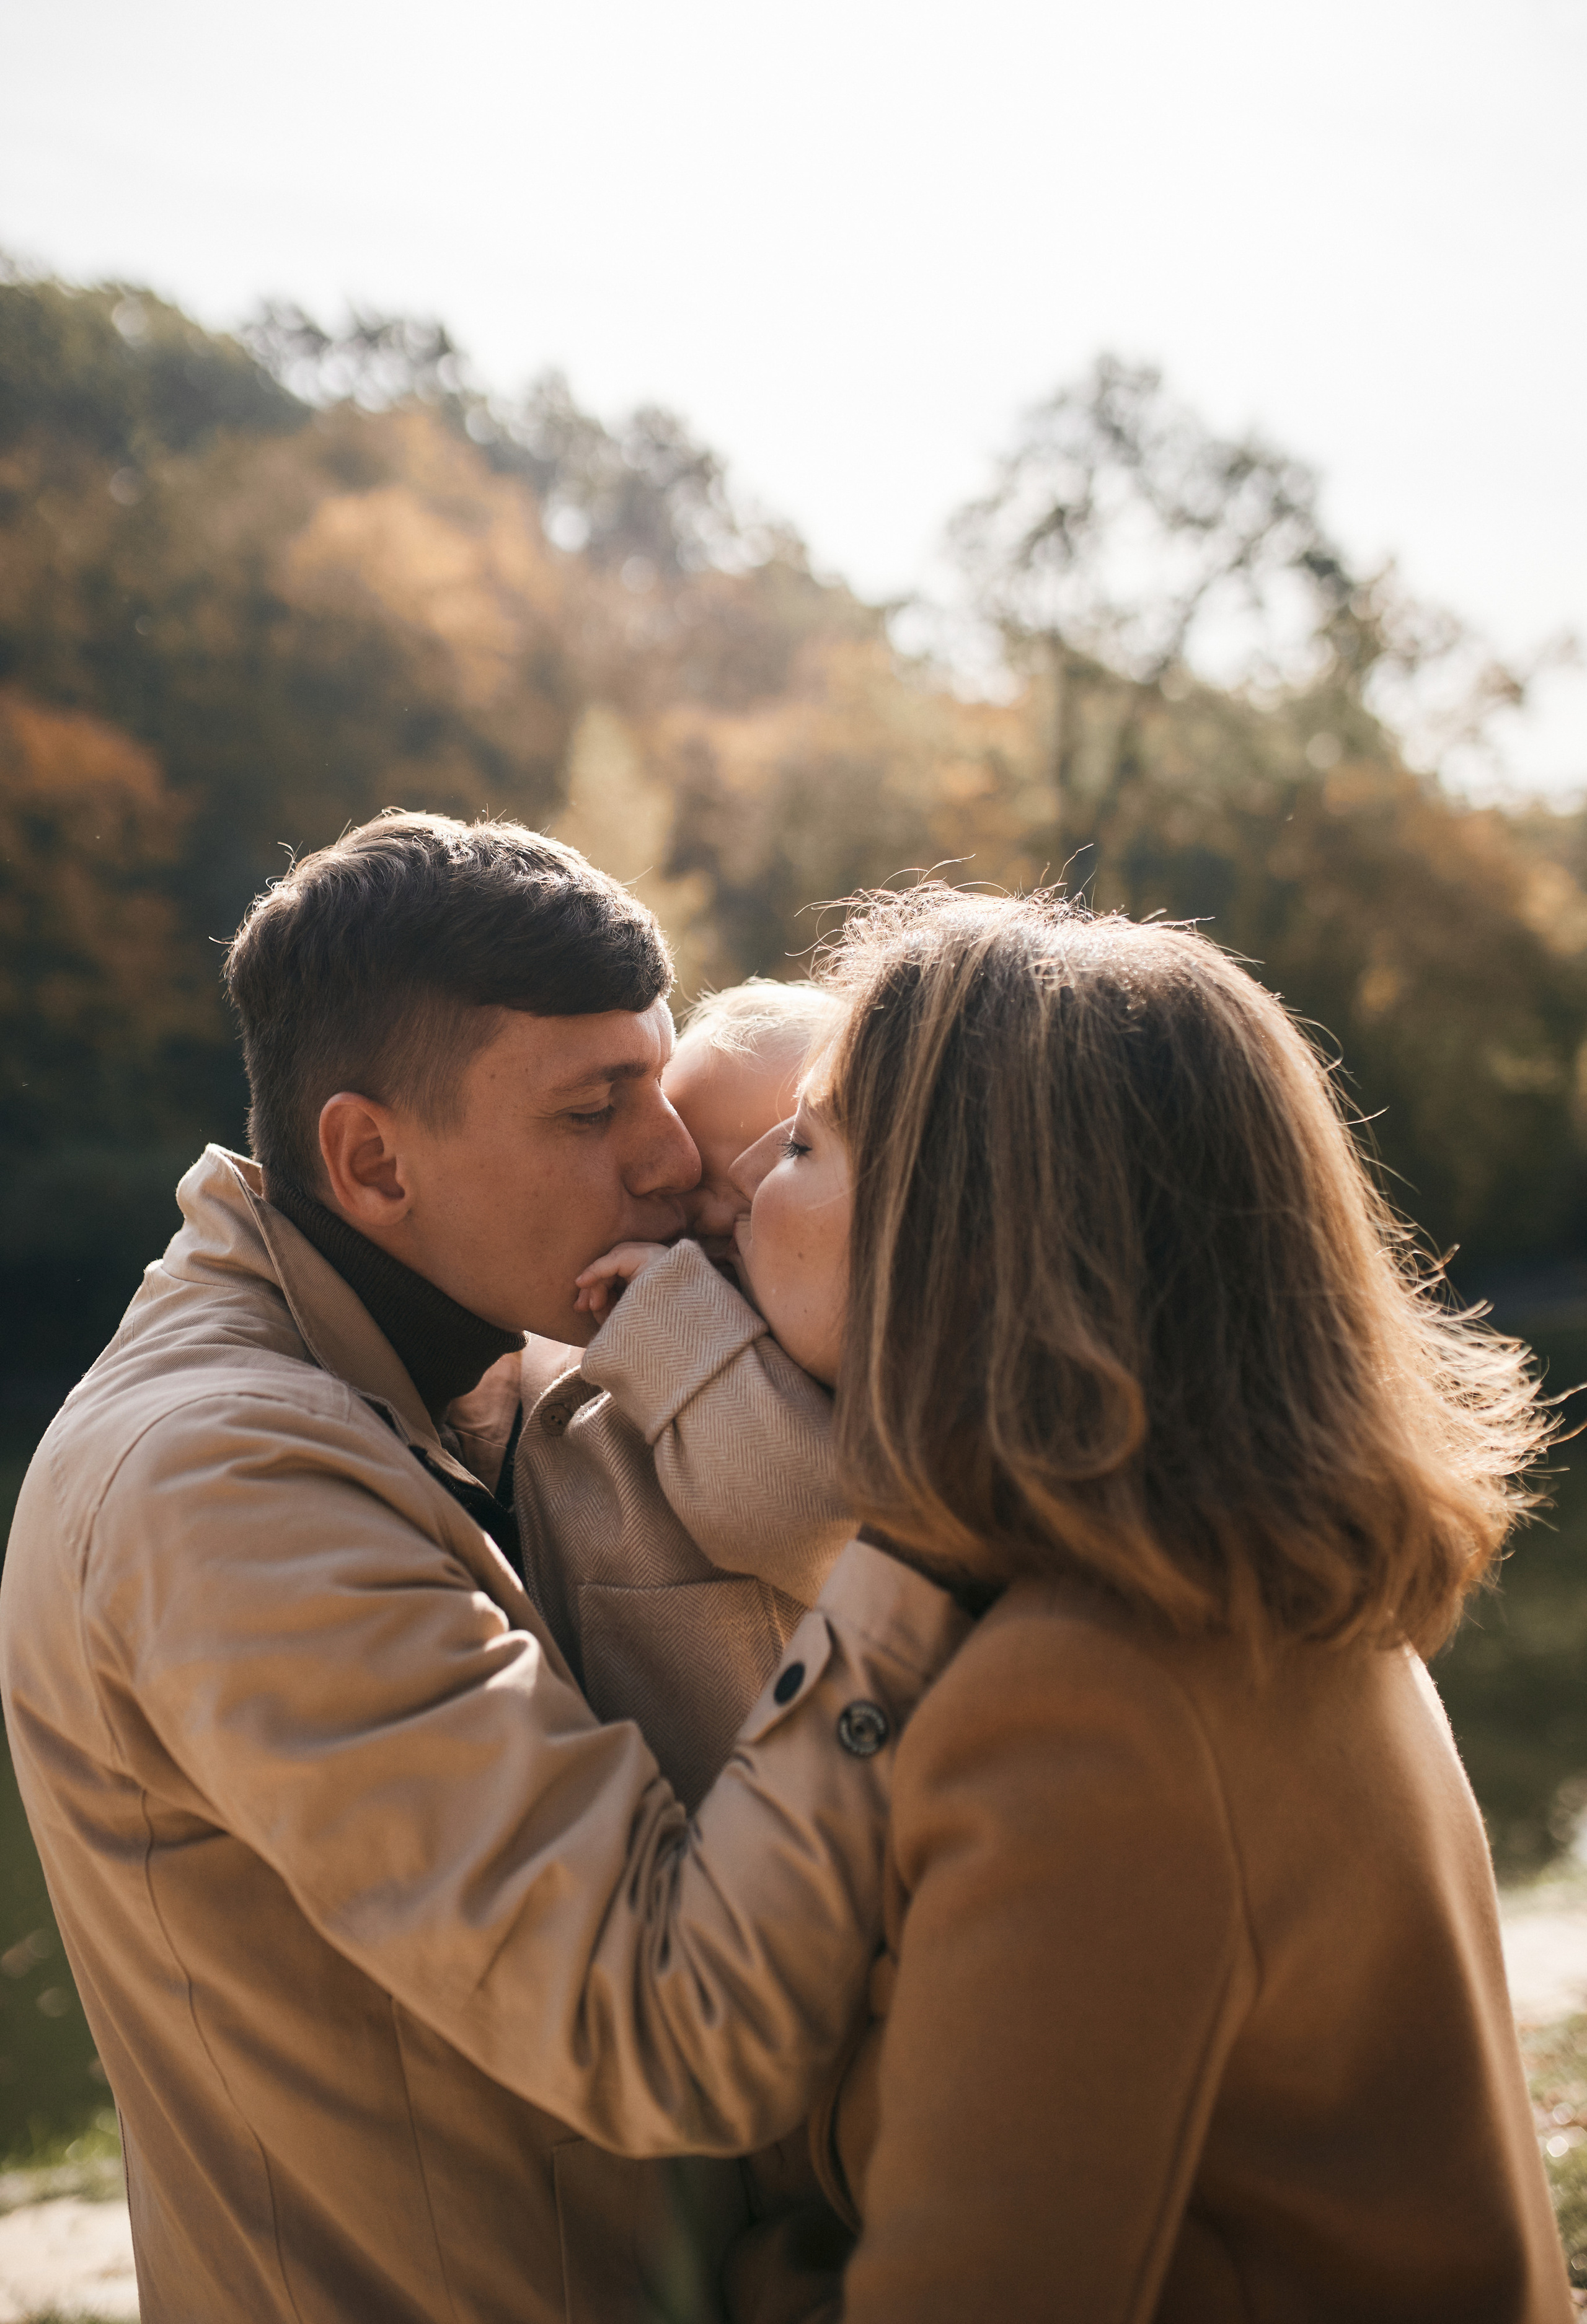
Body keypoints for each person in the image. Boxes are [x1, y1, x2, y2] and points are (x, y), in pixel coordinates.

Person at [0, 814, 966, 2324]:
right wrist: (920, 1558)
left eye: (657, 1081)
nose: (669, 1156)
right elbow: (676, 2024)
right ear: (371, 1158)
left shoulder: (494, 1347)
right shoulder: (217, 1483)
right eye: (593, 1111)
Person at [720, 884, 1572, 2324]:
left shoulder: (1089, 1708)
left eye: (804, 1141)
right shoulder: (1252, 1595)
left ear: (963, 1235)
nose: (742, 1184)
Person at [508, 977, 854, 1811]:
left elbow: (815, 1523)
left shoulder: (875, 1384)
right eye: (685, 1189)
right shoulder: (601, 1335)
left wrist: (675, 1318)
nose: (710, 1220)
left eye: (785, 1159)